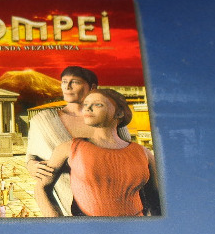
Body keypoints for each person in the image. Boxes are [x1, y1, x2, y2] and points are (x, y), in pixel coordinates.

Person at [35, 88, 161, 217]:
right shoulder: (69, 148)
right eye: (86, 104)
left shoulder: (143, 153)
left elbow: (156, 199)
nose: (87, 108)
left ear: (119, 113)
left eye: (98, 104)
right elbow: (41, 188)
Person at [26, 66, 131, 215]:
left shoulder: (110, 117)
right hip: (68, 202)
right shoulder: (43, 120)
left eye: (75, 82)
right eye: (64, 82)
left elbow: (128, 151)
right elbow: (31, 156)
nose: (67, 87)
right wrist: (31, 165)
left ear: (92, 87)